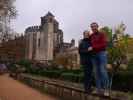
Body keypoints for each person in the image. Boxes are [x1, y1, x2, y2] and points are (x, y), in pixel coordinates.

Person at [89, 22, 109, 96]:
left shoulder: (102, 34)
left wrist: (93, 47)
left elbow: (104, 44)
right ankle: (98, 89)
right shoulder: (91, 36)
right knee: (96, 73)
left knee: (103, 71)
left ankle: (106, 90)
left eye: (94, 26)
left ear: (97, 27)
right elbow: (88, 44)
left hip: (101, 54)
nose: (93, 28)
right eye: (92, 27)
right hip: (94, 56)